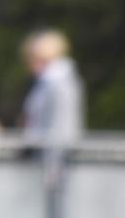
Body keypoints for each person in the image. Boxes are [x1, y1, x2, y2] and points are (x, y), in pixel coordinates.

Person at [17, 30, 85, 159]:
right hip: (42, 151)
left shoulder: (58, 82)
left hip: (54, 156)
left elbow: (60, 124)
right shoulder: (44, 83)